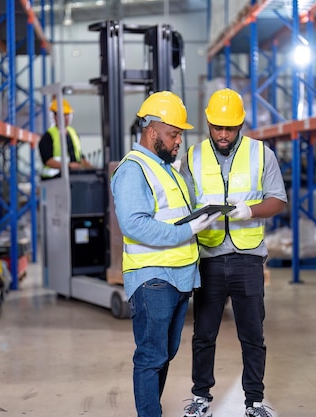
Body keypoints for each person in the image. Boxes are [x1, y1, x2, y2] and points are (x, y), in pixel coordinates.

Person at [110, 91, 221, 417]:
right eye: (173, 134)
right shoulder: (134, 169)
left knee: (166, 352)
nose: (177, 142)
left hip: (178, 276)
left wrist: (200, 218)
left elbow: (171, 214)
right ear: (151, 130)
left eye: (180, 135)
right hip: (152, 278)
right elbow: (134, 226)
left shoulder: (167, 169)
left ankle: (151, 409)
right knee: (151, 356)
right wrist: (187, 230)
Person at [180, 88, 287, 417]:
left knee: (253, 334)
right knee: (204, 334)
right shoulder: (193, 156)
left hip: (248, 259)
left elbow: (278, 200)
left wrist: (250, 211)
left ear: (240, 124)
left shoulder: (261, 153)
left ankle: (254, 401)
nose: (223, 134)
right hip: (210, 259)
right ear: (208, 123)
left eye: (230, 128)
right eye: (217, 127)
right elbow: (184, 204)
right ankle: (201, 398)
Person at [39, 97, 92, 179]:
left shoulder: (73, 132)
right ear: (55, 116)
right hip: (53, 180)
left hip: (72, 177)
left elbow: (78, 154)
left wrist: (87, 165)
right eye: (64, 115)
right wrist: (68, 166)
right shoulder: (48, 136)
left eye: (68, 114)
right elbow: (47, 160)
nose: (67, 117)